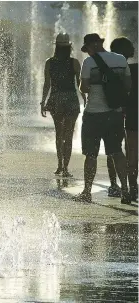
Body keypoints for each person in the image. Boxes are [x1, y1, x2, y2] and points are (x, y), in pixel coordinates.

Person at [74, 33, 132, 204]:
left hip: (94, 114)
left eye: (87, 49)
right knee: (116, 152)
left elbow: (84, 88)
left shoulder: (89, 62)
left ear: (93, 45)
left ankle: (87, 192)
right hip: (115, 114)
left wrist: (88, 81)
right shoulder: (121, 59)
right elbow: (128, 85)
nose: (87, 52)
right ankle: (125, 190)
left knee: (91, 154)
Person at [41, 33, 85, 177]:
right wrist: (84, 98)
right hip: (71, 100)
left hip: (56, 100)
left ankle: (59, 165)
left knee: (59, 134)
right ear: (69, 47)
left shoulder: (49, 62)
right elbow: (80, 84)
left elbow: (47, 84)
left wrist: (43, 102)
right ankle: (66, 167)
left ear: (56, 46)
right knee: (69, 135)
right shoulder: (74, 62)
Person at [109, 37, 138, 201]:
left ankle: (130, 188)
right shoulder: (135, 69)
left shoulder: (112, 72)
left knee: (129, 153)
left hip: (128, 115)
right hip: (131, 114)